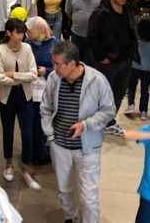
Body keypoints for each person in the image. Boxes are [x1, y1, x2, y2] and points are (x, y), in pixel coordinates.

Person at [41, 41, 115, 223]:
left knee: (89, 198)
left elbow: (108, 111)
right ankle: (70, 217)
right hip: (59, 146)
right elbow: (46, 107)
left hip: (88, 148)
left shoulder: (97, 81)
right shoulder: (53, 78)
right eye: (54, 63)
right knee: (64, 190)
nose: (54, 68)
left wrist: (86, 125)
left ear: (72, 64)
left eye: (58, 64)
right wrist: (50, 135)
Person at [0, 18, 40, 190]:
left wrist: (13, 74)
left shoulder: (27, 48)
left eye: (23, 32)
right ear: (8, 33)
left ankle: (26, 168)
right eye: (18, 32)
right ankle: (8, 164)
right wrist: (21, 77)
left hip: (25, 95)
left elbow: (34, 74)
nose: (21, 36)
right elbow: (0, 78)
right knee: (8, 131)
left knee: (27, 133)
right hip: (6, 98)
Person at [87, 0, 138, 136]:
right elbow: (92, 37)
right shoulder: (101, 13)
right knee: (103, 94)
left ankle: (109, 121)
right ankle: (98, 121)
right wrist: (101, 57)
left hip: (125, 61)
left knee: (119, 92)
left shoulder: (127, 10)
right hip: (107, 63)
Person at [25, 16, 55, 166]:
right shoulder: (26, 44)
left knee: (43, 122)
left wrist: (47, 71)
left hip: (46, 92)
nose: (26, 34)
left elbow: (62, 68)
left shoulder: (53, 45)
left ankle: (42, 153)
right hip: (30, 90)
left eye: (29, 31)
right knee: (30, 123)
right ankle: (31, 153)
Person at [65, 0, 104, 65]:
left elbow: (103, 15)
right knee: (76, 61)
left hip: (93, 37)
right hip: (77, 35)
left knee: (90, 62)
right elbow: (68, 13)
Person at [125, 18, 150, 120]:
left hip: (135, 67)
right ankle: (143, 111)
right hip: (148, 68)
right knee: (145, 90)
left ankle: (131, 105)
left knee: (132, 87)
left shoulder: (136, 39)